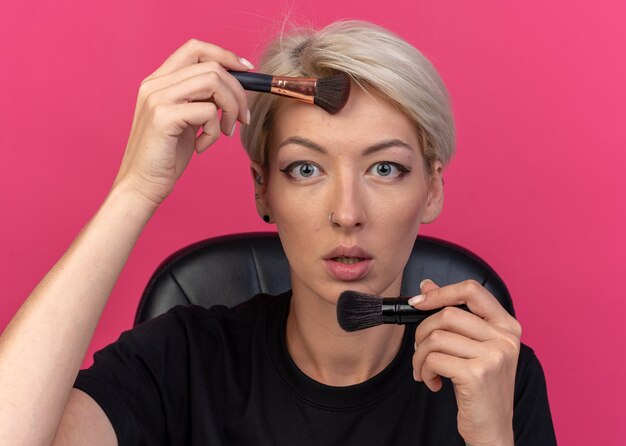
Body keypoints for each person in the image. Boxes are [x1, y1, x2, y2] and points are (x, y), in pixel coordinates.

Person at [0, 20, 556, 445]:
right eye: (306, 169)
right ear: (264, 189)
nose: (346, 212)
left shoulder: (494, 376)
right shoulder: (184, 359)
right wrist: (136, 189)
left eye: (384, 168)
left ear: (431, 188)